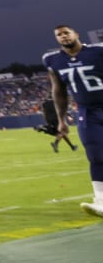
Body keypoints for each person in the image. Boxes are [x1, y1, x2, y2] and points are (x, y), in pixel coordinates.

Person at [42, 24, 103, 218]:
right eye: (59, 35)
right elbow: (58, 90)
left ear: (76, 34)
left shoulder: (98, 51)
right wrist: (61, 120)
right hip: (88, 112)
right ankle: (101, 201)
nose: (63, 36)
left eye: (66, 32)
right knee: (96, 156)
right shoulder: (52, 60)